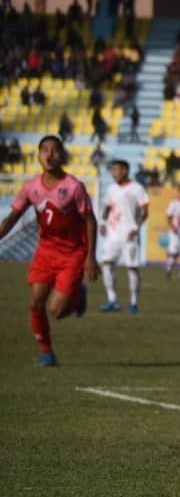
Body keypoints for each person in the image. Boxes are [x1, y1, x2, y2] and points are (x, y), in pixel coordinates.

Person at [0, 135, 96, 367]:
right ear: (38, 155)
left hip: (72, 253)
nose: (50, 155)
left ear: (62, 155)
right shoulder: (31, 187)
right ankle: (47, 354)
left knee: (57, 311)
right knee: (35, 304)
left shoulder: (74, 187)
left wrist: (91, 257)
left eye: (55, 150)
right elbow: (13, 217)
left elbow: (90, 220)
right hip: (45, 252)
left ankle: (78, 295)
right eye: (45, 150)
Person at [97, 159, 149, 313]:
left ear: (125, 171)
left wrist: (136, 227)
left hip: (130, 236)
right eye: (113, 171)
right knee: (106, 264)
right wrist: (102, 223)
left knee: (132, 268)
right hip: (113, 235)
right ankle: (112, 300)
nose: (114, 173)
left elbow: (145, 212)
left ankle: (134, 303)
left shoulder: (137, 189)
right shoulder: (111, 189)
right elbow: (107, 208)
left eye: (117, 170)